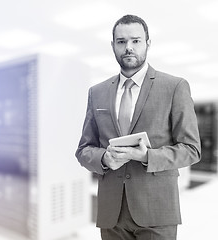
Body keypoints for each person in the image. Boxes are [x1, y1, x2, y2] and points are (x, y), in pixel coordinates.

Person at [75, 15, 201, 240]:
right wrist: (104, 158)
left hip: (157, 211)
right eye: (121, 42)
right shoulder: (98, 92)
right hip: (111, 213)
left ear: (148, 44)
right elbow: (84, 150)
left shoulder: (174, 87)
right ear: (113, 45)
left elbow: (192, 149)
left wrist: (147, 156)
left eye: (135, 41)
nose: (128, 48)